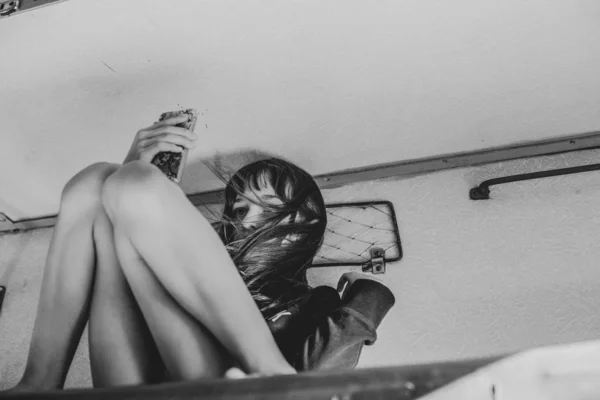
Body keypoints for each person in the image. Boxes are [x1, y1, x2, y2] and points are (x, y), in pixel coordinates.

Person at [12, 113, 395, 390]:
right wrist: (130, 177)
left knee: (135, 184)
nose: (242, 214)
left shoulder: (315, 303)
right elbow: (125, 307)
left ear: (304, 225)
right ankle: (40, 381)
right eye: (237, 207)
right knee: (95, 182)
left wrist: (369, 293)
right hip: (142, 380)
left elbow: (321, 377)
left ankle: (265, 365)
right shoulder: (192, 268)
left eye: (264, 203)